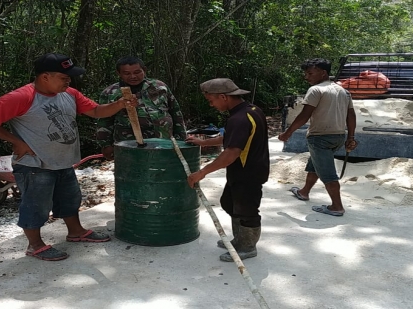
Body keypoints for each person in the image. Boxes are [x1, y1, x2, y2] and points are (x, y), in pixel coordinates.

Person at [0, 53, 136, 261]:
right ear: (45, 77)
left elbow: (95, 111)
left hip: (62, 161)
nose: (68, 80)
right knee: (36, 205)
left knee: (70, 198)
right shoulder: (22, 97)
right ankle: (35, 245)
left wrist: (120, 104)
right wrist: (16, 141)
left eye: (69, 77)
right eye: (63, 77)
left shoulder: (70, 94)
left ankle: (75, 231)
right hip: (35, 164)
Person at [186, 78, 269, 262]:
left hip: (248, 173)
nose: (212, 105)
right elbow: (232, 138)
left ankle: (247, 247)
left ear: (223, 97)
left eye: (211, 100)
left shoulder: (239, 119)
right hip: (244, 171)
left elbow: (231, 152)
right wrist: (204, 142)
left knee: (246, 210)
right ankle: (239, 240)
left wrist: (202, 172)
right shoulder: (251, 111)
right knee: (230, 203)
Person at [278, 58, 358, 217]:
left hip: (320, 137)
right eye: (306, 73)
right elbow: (351, 116)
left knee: (328, 174)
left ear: (323, 73)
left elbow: (304, 115)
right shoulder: (343, 91)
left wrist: (288, 132)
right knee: (315, 164)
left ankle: (337, 207)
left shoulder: (316, 90)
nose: (306, 77)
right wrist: (351, 137)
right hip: (338, 137)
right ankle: (304, 192)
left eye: (310, 73)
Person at [96, 56, 187, 159]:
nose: (133, 76)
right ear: (119, 73)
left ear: (144, 70)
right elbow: (104, 120)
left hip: (164, 143)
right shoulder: (110, 93)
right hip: (130, 147)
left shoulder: (159, 87)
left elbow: (176, 112)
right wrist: (105, 145)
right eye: (127, 73)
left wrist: (181, 139)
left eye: (137, 72)